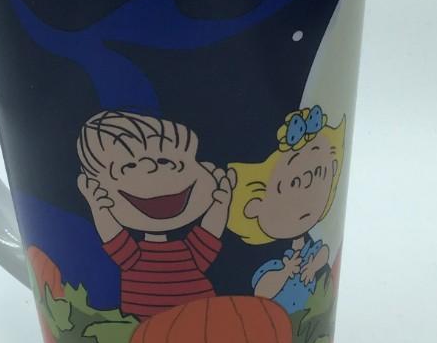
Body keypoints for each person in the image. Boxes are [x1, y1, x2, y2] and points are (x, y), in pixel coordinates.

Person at [77, 110, 235, 318]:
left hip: (203, 324)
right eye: (129, 166)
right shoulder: (133, 258)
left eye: (165, 161)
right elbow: (113, 235)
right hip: (146, 332)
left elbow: (209, 234)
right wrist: (98, 209)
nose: (153, 170)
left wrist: (221, 204)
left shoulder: (189, 253)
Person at [228, 106, 345, 313]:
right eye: (294, 183)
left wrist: (313, 266)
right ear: (254, 205)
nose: (306, 193)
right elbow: (262, 290)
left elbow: (324, 252)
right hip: (272, 320)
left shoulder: (309, 245)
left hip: (308, 317)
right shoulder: (272, 257)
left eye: (320, 172)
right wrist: (285, 271)